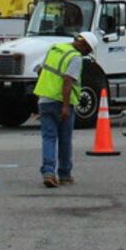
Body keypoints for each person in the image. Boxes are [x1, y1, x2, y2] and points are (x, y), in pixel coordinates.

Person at [33, 31, 98, 188]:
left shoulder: (55, 49)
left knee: (48, 138)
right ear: (83, 44)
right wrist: (65, 106)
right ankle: (64, 174)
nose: (86, 54)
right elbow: (68, 81)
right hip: (60, 101)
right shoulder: (75, 57)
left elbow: (41, 71)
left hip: (45, 100)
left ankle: (48, 173)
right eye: (88, 50)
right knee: (65, 139)